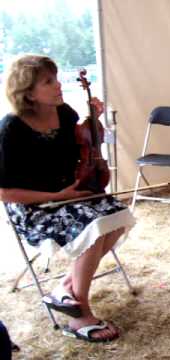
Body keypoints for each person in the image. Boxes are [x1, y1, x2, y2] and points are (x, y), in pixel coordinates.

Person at [0, 55, 136, 343]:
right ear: (28, 92)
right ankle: (81, 313)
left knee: (117, 215)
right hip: (35, 206)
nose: (58, 85)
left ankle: (65, 288)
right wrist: (56, 196)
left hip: (72, 195)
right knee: (94, 225)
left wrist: (94, 122)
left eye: (56, 78)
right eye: (48, 81)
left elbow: (84, 146)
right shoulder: (10, 129)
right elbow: (5, 192)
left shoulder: (65, 113)